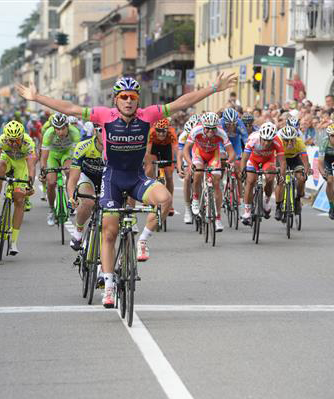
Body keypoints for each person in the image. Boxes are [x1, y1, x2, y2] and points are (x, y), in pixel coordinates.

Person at [16, 72, 237, 308]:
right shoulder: (104, 116)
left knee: (165, 199)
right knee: (109, 233)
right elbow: (69, 108)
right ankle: (109, 286)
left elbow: (182, 102)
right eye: (124, 96)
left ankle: (142, 241)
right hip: (112, 179)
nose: (128, 101)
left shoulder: (148, 115)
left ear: (138, 99)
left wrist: (214, 88)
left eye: (132, 96)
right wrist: (37, 97)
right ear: (116, 99)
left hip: (136, 178)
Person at [0, 120, 36, 255]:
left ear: (21, 138)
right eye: (11, 141)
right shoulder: (0, 141)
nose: (14, 144)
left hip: (21, 165)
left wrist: (30, 183)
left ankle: (13, 242)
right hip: (6, 160)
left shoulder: (29, 143)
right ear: (6, 138)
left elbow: (31, 166)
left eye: (17, 141)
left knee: (19, 200)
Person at [183, 111, 236, 232]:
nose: (211, 132)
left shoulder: (221, 132)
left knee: (217, 182)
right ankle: (196, 198)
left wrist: (229, 162)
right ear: (203, 126)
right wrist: (190, 163)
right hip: (199, 153)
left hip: (213, 155)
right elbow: (186, 149)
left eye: (213, 129)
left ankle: (217, 219)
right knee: (198, 173)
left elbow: (231, 152)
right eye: (208, 129)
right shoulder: (196, 130)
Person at [240, 122, 286, 225]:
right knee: (250, 181)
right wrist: (243, 170)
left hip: (268, 161)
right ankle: (247, 211)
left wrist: (281, 176)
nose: (266, 143)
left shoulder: (277, 141)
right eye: (264, 140)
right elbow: (244, 158)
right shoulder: (253, 138)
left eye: (269, 141)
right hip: (253, 160)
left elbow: (282, 161)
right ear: (260, 136)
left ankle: (266, 201)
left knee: (270, 178)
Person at [67, 125, 105, 250]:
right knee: (89, 201)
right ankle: (78, 232)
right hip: (87, 178)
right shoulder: (84, 146)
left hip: (106, 179)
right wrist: (72, 197)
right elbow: (73, 177)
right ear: (95, 132)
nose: (104, 134)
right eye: (101, 131)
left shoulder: (115, 148)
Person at [40, 112, 81, 226]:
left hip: (67, 153)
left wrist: (75, 167)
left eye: (63, 128)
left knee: (69, 171)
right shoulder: (48, 134)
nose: (60, 132)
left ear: (67, 126)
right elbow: (44, 156)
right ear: (53, 128)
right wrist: (43, 170)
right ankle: (52, 210)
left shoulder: (75, 133)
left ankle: (70, 197)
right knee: (51, 182)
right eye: (57, 129)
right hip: (53, 155)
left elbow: (76, 155)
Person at [274, 126, 310, 220]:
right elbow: (274, 159)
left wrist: (305, 173)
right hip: (281, 159)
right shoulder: (279, 142)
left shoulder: (299, 142)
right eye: (287, 140)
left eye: (292, 140)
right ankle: (278, 207)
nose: (289, 143)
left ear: (295, 138)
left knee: (301, 178)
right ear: (283, 139)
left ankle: (298, 199)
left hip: (295, 159)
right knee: (280, 181)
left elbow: (305, 160)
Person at [145, 118, 178, 216]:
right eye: (158, 131)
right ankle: (151, 194)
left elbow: (176, 149)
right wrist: (147, 163)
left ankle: (170, 203)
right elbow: (147, 151)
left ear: (168, 129)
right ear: (155, 129)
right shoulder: (151, 132)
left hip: (166, 149)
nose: (161, 134)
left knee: (169, 176)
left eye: (164, 131)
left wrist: (179, 163)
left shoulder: (172, 133)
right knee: (149, 170)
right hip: (154, 148)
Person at [177, 118, 197, 224]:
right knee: (187, 178)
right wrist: (180, 168)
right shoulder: (183, 136)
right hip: (188, 155)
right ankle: (187, 209)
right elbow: (180, 155)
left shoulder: (201, 133)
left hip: (199, 153)